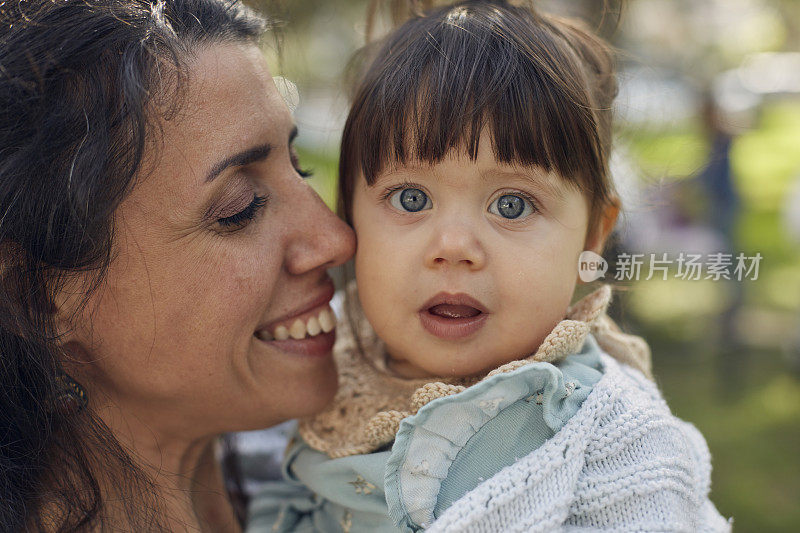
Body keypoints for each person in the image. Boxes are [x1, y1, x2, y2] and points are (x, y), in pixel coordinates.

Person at [247, 1, 731, 531]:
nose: (453, 247)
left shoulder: (601, 430)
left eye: (512, 205)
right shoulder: (324, 370)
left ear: (593, 236)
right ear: (350, 219)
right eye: (410, 199)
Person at [0, 0, 355, 530]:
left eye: (298, 167)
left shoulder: (347, 481)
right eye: (241, 208)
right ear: (35, 301)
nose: (336, 238)